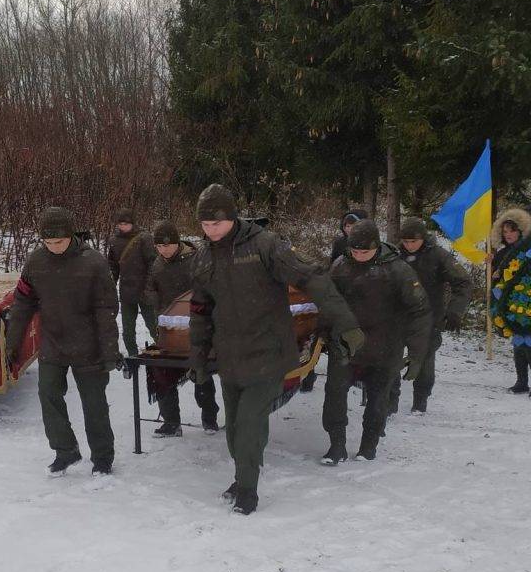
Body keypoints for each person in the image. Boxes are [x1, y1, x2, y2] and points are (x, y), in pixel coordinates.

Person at [190, 184, 364, 515]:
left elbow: (312, 278)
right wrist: (198, 358)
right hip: (230, 356)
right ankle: (243, 474)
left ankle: (247, 492)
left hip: (268, 352)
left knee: (250, 423)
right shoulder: (202, 258)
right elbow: (200, 313)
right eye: (204, 225)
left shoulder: (264, 246)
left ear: (232, 217)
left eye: (216, 223)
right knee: (236, 430)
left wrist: (347, 323)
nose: (210, 231)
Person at [5, 207, 120, 476]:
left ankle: (102, 457)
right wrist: (12, 342)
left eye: (59, 241)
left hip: (89, 345)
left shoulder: (94, 262)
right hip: (54, 343)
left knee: (94, 404)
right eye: (48, 242)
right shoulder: (36, 262)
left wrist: (110, 349)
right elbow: (22, 303)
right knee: (48, 394)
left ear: (71, 235)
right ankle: (65, 450)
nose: (54, 247)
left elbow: (107, 309)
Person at [322, 220, 431, 464]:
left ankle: (368, 445)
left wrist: (417, 353)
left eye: (365, 252)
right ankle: (336, 445)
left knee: (378, 398)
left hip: (386, 346)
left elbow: (420, 311)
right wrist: (323, 334)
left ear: (377, 246)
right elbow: (328, 303)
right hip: (347, 345)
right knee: (334, 394)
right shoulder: (340, 265)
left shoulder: (398, 270)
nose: (359, 256)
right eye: (355, 251)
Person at [387, 217, 472, 414]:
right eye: (405, 242)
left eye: (413, 241)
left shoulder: (439, 255)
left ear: (423, 238)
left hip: (429, 318)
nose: (409, 246)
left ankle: (420, 402)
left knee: (424, 361)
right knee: (390, 360)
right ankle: (390, 402)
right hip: (397, 317)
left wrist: (455, 311)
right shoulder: (394, 255)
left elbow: (463, 282)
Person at [144, 219, 219, 437]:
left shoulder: (195, 260)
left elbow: (209, 290)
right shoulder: (157, 265)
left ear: (177, 243)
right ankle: (171, 422)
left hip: (198, 327)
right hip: (169, 329)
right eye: (158, 246)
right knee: (161, 372)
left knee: (201, 372)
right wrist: (157, 306)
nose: (162, 250)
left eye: (166, 245)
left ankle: (209, 418)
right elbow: (150, 290)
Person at [107, 209, 158, 357]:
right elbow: (113, 266)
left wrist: (149, 286)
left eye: (126, 223)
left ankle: (167, 352)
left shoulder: (144, 238)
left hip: (145, 290)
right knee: (128, 329)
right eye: (121, 223)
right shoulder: (114, 240)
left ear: (132, 223)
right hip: (126, 291)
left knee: (153, 326)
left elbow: (152, 263)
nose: (123, 226)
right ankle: (133, 357)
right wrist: (110, 285)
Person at [491, 207, 531, 394]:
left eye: (512, 230)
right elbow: (496, 278)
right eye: (505, 231)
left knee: (528, 341)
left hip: (526, 302)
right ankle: (521, 381)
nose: (508, 235)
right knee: (518, 343)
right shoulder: (502, 254)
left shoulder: (526, 250)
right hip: (510, 305)